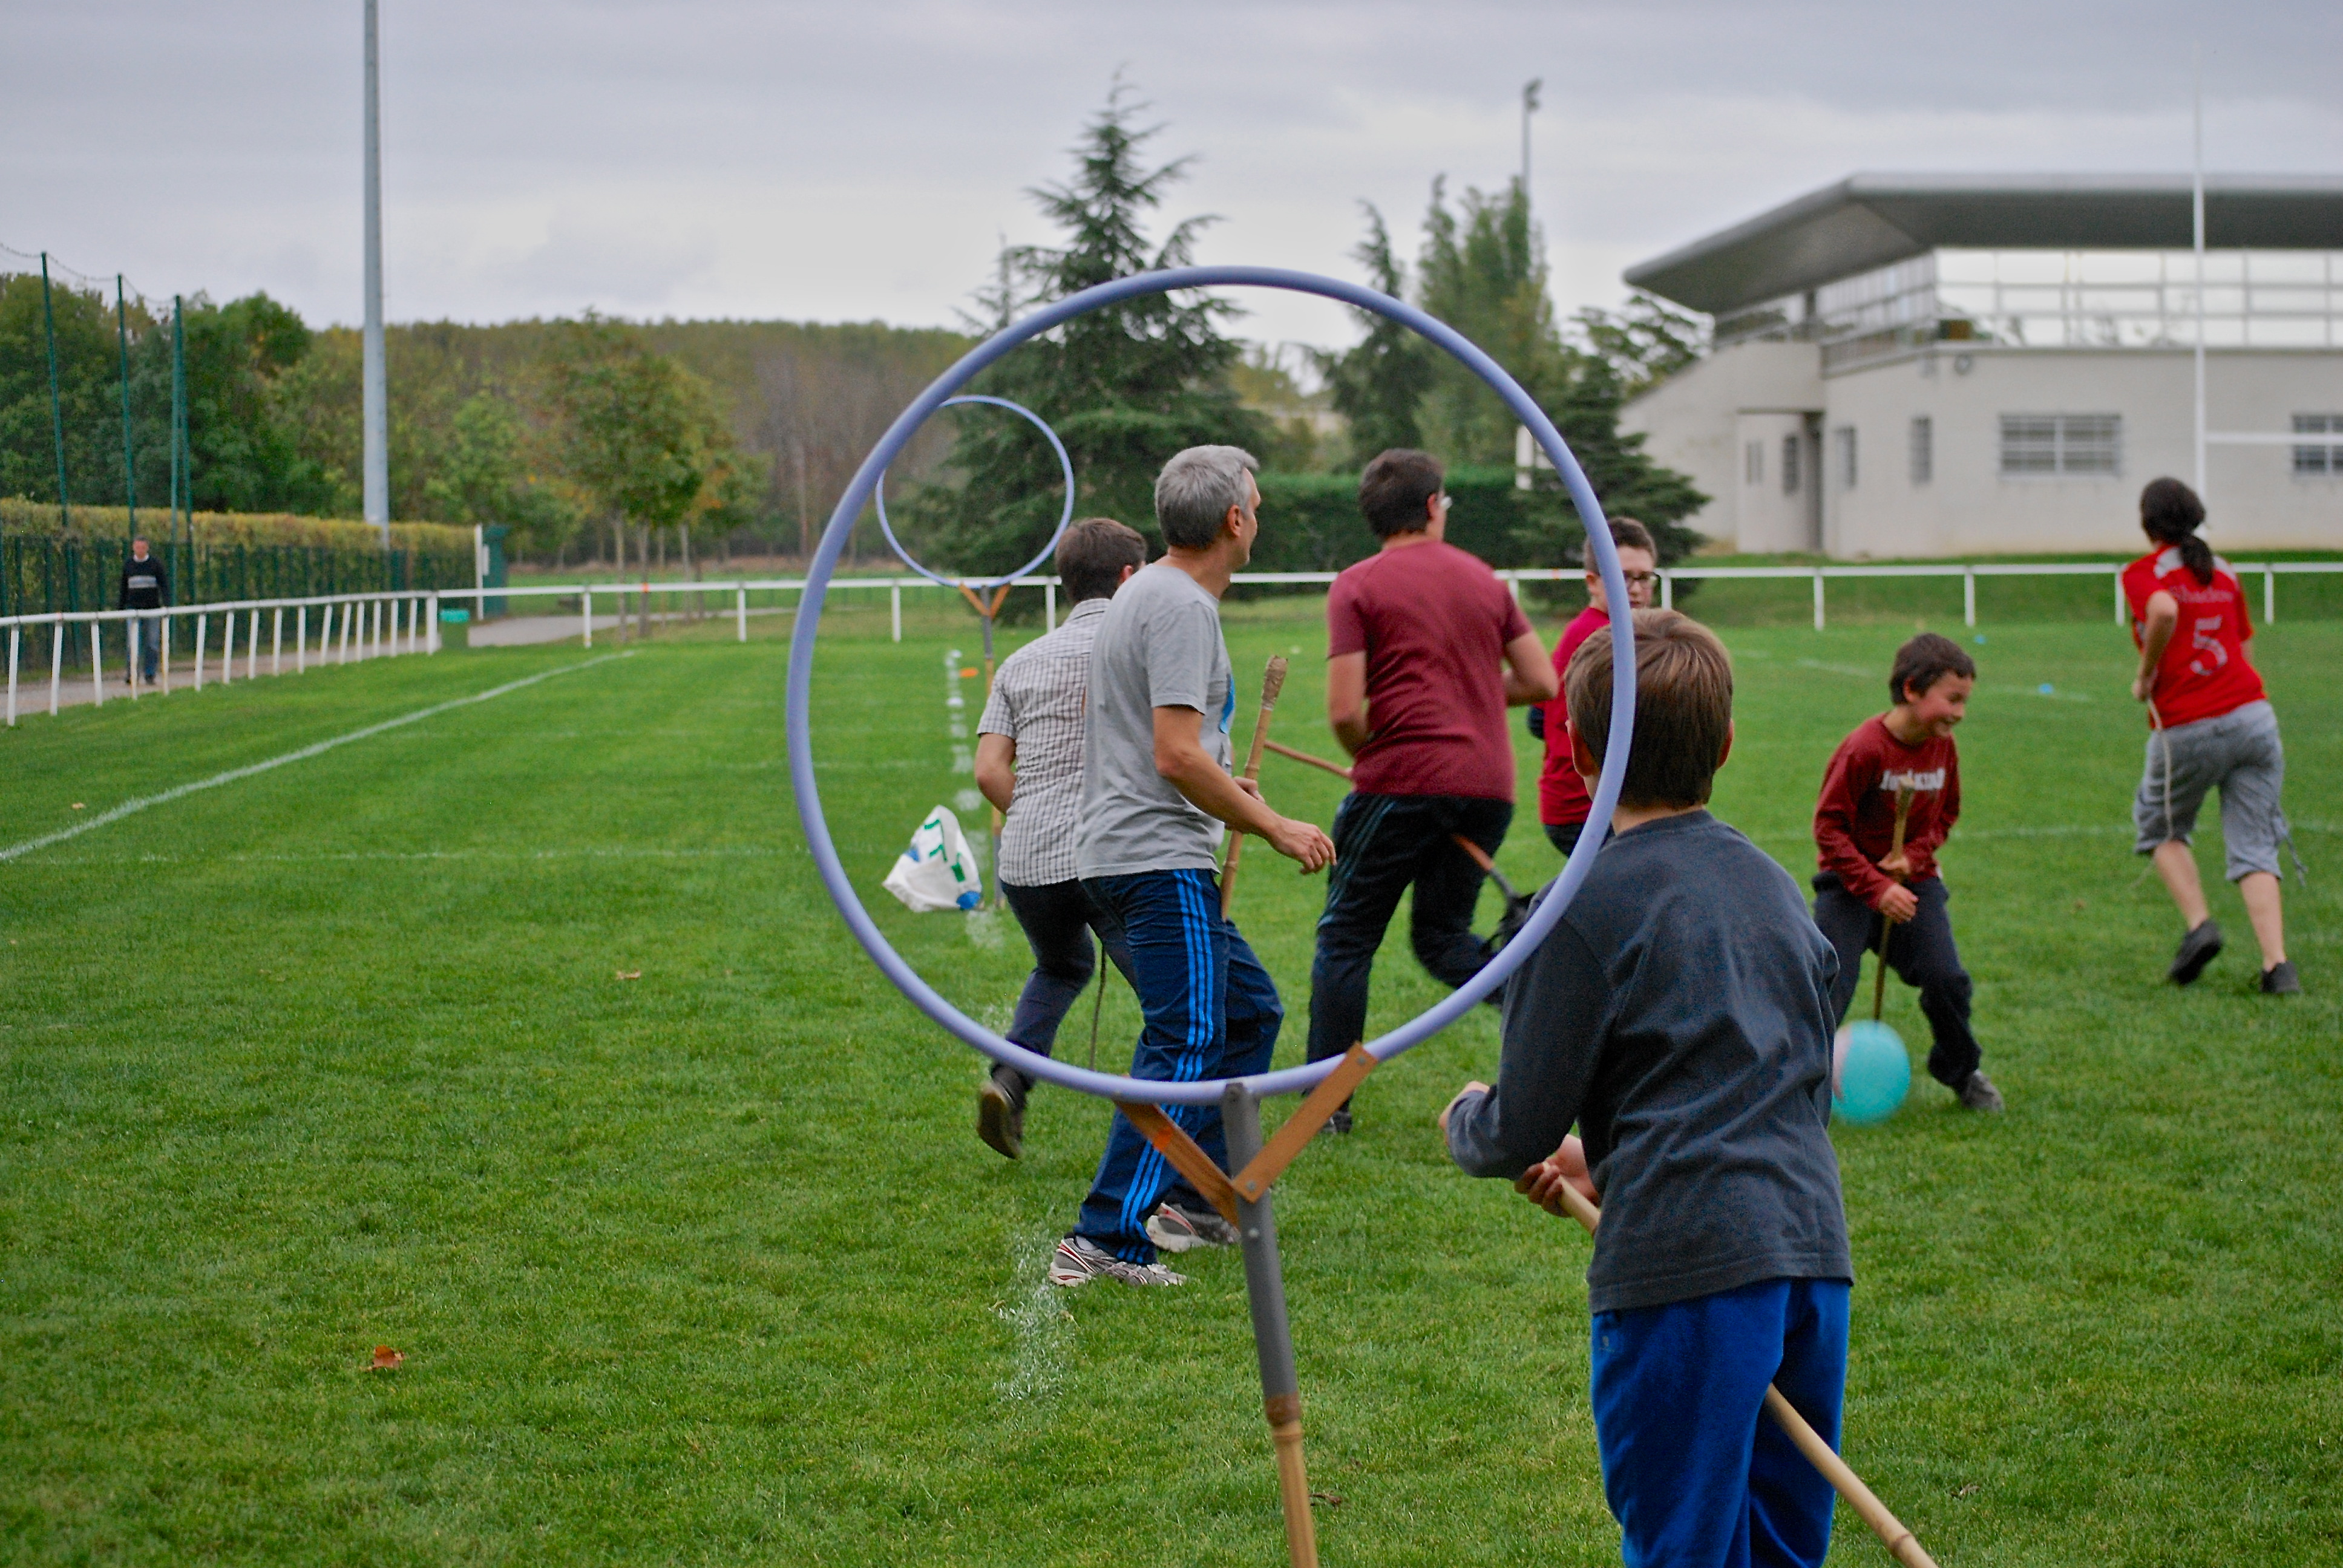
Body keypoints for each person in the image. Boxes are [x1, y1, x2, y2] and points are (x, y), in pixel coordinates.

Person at [1443, 609, 1852, 1567]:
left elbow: (1518, 1127)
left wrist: (1467, 1120)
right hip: (1809, 1257)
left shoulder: (1577, 905)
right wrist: (1606, 1156)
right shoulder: (1776, 887)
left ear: (1576, 750)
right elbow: (1786, 1085)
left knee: (1682, 1544)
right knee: (1780, 1544)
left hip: (1686, 1271)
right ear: (1727, 743)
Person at [1049, 446, 1336, 1289]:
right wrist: (1274, 823)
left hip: (1132, 849)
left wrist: (1222, 776)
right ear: (1235, 520)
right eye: (1258, 500)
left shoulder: (1149, 594)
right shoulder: (1179, 606)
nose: (1261, 514)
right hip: (1153, 857)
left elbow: (1171, 745)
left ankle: (1189, 1198)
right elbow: (1174, 756)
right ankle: (1105, 1234)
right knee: (1185, 1041)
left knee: (1248, 1013)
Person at [1307, 449, 1556, 1134]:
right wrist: (1466, 696)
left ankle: (1325, 1109)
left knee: (1346, 938)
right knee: (1442, 937)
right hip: (1485, 787)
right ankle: (1551, 1019)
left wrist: (1378, 759)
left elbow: (1342, 712)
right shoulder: (1483, 579)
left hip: (1399, 780)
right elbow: (1539, 680)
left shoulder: (1357, 585)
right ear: (1430, 506)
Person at [973, 518, 1150, 1161]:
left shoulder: (1021, 660)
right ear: (1130, 577)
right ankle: (1163, 1123)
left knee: (1062, 964)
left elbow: (989, 770)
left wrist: (1039, 816)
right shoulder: (1143, 648)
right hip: (1112, 854)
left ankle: (1010, 1082)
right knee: (1175, 998)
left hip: (1025, 860)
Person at [1810, 633, 2004, 1112]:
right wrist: (1875, 887)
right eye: (1952, 700)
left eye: (1964, 702)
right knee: (1827, 984)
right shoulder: (1863, 749)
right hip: (1849, 885)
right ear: (1913, 689)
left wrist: (1914, 859)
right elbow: (1828, 829)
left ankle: (1962, 1071)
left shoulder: (1944, 747)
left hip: (1913, 884)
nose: (1959, 712)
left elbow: (1945, 816)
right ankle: (1800, 1087)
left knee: (1947, 980)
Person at [2123, 477, 2298, 994]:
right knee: (2255, 843)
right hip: (2254, 717)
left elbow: (2163, 610)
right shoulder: (2224, 571)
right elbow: (2239, 643)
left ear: (2147, 522)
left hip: (2188, 723)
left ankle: (2200, 926)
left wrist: (2146, 673)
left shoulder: (2144, 572)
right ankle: (2277, 966)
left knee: (2159, 827)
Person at [1530, 517, 1659, 857]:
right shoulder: (1605, 637)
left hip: (1579, 802)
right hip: (1587, 808)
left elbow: (1536, 719)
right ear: (1593, 582)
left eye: (1644, 578)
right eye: (1622, 577)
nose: (1634, 589)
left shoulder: (1590, 630)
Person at [117, 537, 169, 685]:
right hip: (133, 609)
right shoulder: (128, 565)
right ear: (134, 548)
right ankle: (132, 673)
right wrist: (121, 609)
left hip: (152, 609)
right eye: (137, 547)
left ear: (147, 548)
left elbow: (164, 585)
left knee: (152, 643)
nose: (140, 550)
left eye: (142, 548)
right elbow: (123, 588)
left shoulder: (155, 564)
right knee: (132, 644)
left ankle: (150, 674)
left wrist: (166, 604)